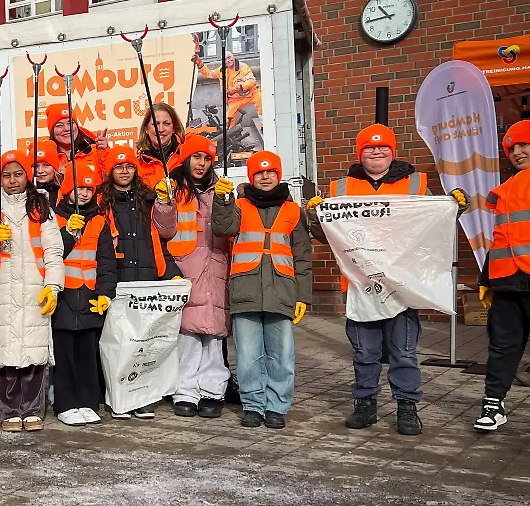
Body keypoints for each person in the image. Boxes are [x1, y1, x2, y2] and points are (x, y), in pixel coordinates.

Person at [306, 123, 468, 436]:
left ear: (392, 152)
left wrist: (455, 208)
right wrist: (316, 216)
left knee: (403, 352)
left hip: (402, 286)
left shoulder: (416, 183)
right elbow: (328, 237)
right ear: (360, 152)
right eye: (369, 147)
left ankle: (407, 408)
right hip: (359, 285)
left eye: (382, 147)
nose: (376, 152)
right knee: (364, 352)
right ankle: (365, 404)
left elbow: (434, 222)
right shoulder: (341, 189)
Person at [211, 151, 312, 429]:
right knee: (246, 355)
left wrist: (302, 295)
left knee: (282, 356)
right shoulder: (239, 206)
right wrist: (222, 200)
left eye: (270, 172)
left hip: (282, 291)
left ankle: (277, 406)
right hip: (246, 290)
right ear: (251, 177)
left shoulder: (294, 211)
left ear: (278, 175)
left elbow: (302, 256)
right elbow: (221, 227)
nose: (265, 177)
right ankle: (253, 405)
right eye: (259, 173)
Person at [0, 150, 64, 432]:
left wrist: (53, 285)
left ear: (27, 176)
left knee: (35, 352)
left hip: (35, 288)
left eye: (18, 174)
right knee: (7, 353)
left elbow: (53, 250)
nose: (13, 180)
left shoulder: (41, 208)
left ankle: (33, 409)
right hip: (2, 289)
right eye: (7, 175)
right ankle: (10, 409)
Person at [153, 135, 232, 419]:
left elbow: (229, 226)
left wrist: (226, 200)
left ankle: (212, 391)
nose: (201, 164)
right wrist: (164, 203)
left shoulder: (220, 191)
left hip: (216, 268)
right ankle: (185, 391)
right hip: (185, 269)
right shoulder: (173, 189)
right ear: (185, 159)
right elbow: (164, 229)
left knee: (214, 336)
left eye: (207, 158)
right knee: (187, 337)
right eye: (196, 157)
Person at [97, 145, 178, 419]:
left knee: (142, 342)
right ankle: (117, 397)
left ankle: (141, 396)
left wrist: (171, 273)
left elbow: (163, 235)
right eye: (118, 167)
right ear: (110, 171)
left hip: (145, 281)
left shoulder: (148, 198)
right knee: (117, 342)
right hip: (117, 279)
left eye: (129, 166)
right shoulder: (102, 202)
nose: (124, 171)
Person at [51, 160, 116, 427]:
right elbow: (52, 255)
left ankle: (89, 402)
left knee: (88, 354)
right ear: (67, 190)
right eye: (79, 188)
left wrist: (105, 293)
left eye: (89, 188)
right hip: (63, 298)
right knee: (64, 356)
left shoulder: (100, 221)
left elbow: (107, 261)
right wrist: (68, 232)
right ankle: (65, 404)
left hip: (88, 296)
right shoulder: (54, 218)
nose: (85, 193)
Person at [475, 119, 530, 432]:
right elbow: (501, 238)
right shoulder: (506, 190)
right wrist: (486, 279)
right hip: (508, 279)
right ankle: (493, 403)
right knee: (502, 345)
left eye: (524, 145)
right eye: (512, 148)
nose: (517, 152)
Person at [193, 50, 262, 128]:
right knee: (229, 118)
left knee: (262, 101)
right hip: (235, 100)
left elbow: (252, 81)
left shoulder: (243, 66)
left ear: (233, 56)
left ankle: (264, 125)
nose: (228, 60)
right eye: (225, 59)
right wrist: (199, 63)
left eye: (229, 57)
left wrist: (237, 88)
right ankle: (230, 134)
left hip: (252, 94)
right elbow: (209, 74)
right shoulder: (221, 70)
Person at [45, 103, 108, 178]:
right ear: (52, 131)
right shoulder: (46, 158)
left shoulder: (95, 151)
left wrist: (104, 153)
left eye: (70, 123)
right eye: (59, 125)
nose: (67, 129)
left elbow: (110, 181)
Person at [136, 103, 186, 188]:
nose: (161, 129)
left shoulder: (186, 155)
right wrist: (104, 151)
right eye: (155, 124)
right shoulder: (138, 164)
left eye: (166, 124)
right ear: (146, 129)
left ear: (174, 128)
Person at [28, 139, 63, 206]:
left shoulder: (66, 191)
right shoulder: (25, 192)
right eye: (35, 166)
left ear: (55, 167)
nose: (40, 171)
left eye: (46, 165)